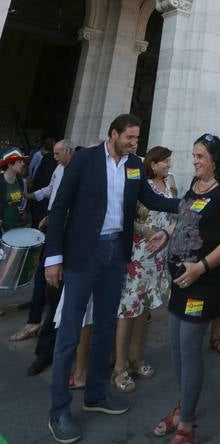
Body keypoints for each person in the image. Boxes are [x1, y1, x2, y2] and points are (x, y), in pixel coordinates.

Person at [44, 114, 180, 444]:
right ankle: (58, 411)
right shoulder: (85, 160)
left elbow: (149, 200)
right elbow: (60, 207)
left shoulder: (134, 165)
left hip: (115, 256)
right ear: (114, 134)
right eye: (130, 137)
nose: (136, 143)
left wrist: (190, 204)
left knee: (106, 325)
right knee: (70, 332)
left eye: (137, 138)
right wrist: (53, 258)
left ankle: (96, 395)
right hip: (83, 255)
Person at [153, 133, 220, 444]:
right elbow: (185, 218)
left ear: (214, 159)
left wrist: (201, 266)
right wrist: (166, 232)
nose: (194, 161)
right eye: (193, 155)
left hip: (202, 284)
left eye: (200, 156)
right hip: (180, 280)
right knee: (176, 347)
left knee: (190, 349)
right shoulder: (194, 186)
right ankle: (183, 403)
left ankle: (186, 423)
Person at [113, 145, 177, 393]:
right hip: (138, 253)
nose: (169, 165)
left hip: (159, 255)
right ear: (153, 164)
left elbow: (174, 214)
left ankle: (135, 356)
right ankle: (119, 365)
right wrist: (145, 231)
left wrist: (167, 232)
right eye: (165, 162)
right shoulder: (141, 184)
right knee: (127, 309)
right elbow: (128, 215)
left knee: (144, 309)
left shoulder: (170, 184)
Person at [11, 141, 75, 359]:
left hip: (63, 226)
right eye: (54, 153)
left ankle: (43, 323)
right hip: (52, 221)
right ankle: (35, 317)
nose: (54, 157)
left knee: (51, 277)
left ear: (69, 152)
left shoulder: (77, 170)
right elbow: (51, 190)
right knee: (42, 270)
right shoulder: (59, 168)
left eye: (58, 154)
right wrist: (32, 196)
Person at [0, 146, 28, 232]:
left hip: (16, 222)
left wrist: (22, 214)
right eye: (19, 162)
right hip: (2, 224)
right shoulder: (1, 181)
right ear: (10, 164)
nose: (23, 164)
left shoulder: (20, 180)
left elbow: (23, 198)